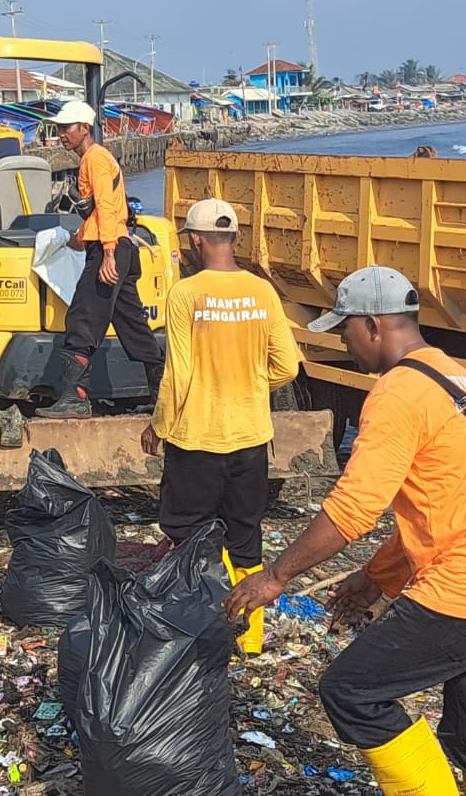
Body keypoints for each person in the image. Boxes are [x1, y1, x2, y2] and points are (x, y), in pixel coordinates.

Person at [227, 267, 466, 796]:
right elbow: (447, 499)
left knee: (352, 692)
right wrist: (377, 579)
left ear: (374, 325)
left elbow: (354, 509)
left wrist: (275, 576)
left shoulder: (397, 391)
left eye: (345, 329)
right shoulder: (453, 376)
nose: (343, 342)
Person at [139, 198, 300, 654]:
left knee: (188, 533)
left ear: (193, 240)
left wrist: (160, 424)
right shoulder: (262, 291)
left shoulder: (186, 293)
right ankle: (248, 639)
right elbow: (287, 365)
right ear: (235, 239)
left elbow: (180, 372)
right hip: (251, 436)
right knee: (246, 537)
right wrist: (249, 384)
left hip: (196, 437)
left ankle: (196, 632)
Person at [35, 100, 163, 419]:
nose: (61, 134)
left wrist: (106, 253)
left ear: (84, 129)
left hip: (111, 250)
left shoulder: (94, 158)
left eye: (67, 128)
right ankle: (163, 395)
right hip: (119, 248)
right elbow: (98, 214)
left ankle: (75, 399)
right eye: (59, 128)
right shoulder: (94, 159)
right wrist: (78, 240)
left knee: (81, 319)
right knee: (132, 324)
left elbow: (106, 206)